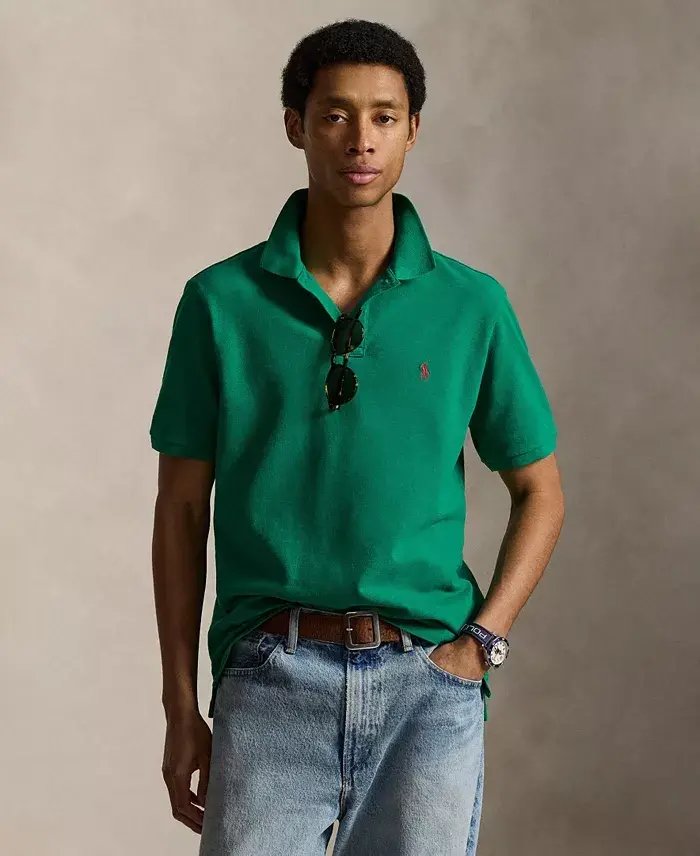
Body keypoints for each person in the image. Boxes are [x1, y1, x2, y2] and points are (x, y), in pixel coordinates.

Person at [149, 17, 565, 856]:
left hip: (429, 689)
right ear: (295, 125)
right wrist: (179, 705)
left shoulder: (472, 306)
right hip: (269, 680)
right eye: (335, 114)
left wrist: (481, 643)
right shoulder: (219, 304)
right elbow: (181, 511)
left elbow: (541, 492)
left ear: (414, 129)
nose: (360, 139)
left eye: (384, 116)